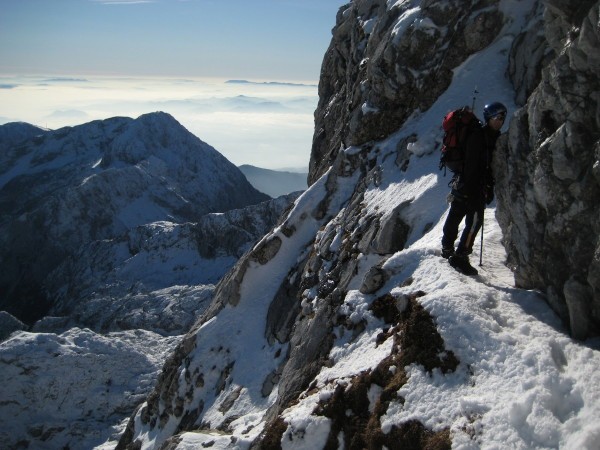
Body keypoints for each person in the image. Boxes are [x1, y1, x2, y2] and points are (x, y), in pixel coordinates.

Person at [441, 101, 507, 275]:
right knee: (474, 222)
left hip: (463, 183)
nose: (500, 120)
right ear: (488, 118)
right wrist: (475, 189)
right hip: (472, 187)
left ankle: (447, 248)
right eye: (497, 117)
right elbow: (473, 164)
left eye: (502, 117)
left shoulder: (487, 136)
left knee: (456, 215)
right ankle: (460, 256)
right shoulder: (480, 137)